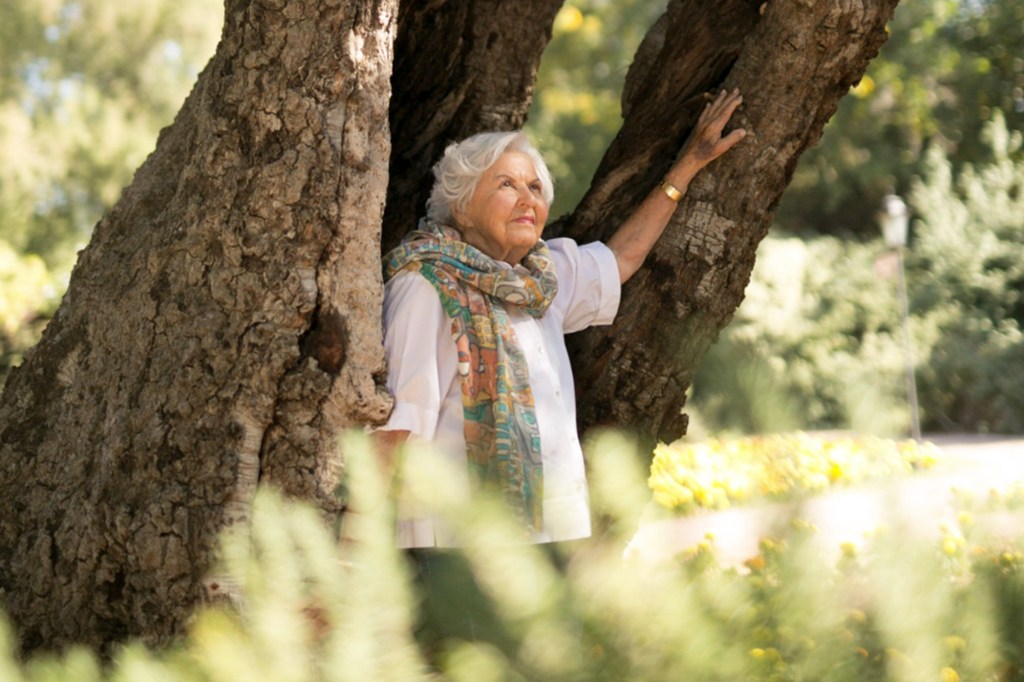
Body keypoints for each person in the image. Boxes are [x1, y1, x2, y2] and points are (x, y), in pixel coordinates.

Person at [376, 89, 745, 653]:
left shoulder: (540, 280)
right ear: (460, 204)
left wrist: (687, 166)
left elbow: (619, 260)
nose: (528, 198)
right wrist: (352, 558)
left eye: (535, 187)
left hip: (551, 539)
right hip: (459, 550)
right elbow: (397, 430)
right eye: (506, 184)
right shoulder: (425, 286)